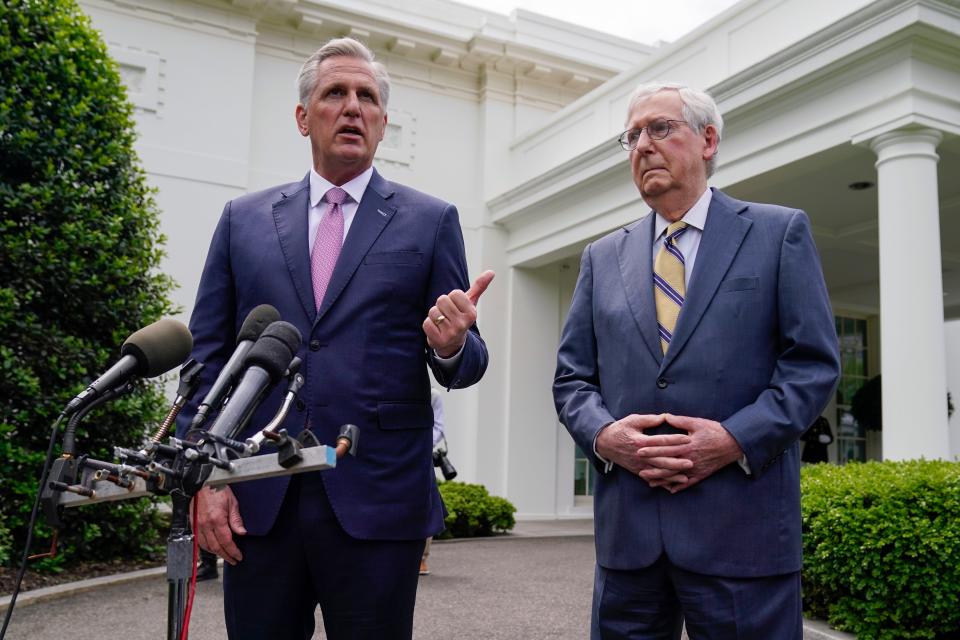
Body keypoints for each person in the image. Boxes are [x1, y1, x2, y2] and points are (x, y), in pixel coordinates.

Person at [175, 37, 493, 640]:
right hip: (257, 500)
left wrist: (451, 344)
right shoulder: (243, 220)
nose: (353, 107)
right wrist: (208, 478)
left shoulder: (430, 222)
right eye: (335, 94)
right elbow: (206, 360)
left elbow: (467, 362)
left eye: (367, 97)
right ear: (303, 117)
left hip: (377, 502)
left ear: (382, 122)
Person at [553, 82, 840, 639]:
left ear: (708, 139)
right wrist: (606, 436)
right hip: (629, 542)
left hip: (743, 538)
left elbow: (811, 367)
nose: (642, 145)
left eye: (661, 129)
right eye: (631, 135)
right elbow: (572, 380)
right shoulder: (600, 257)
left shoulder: (779, 234)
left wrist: (732, 440)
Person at [420, 387, 447, 576]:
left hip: (421, 455)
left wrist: (421, 444)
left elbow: (438, 426)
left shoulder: (433, 394)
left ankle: (422, 557)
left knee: (424, 504)